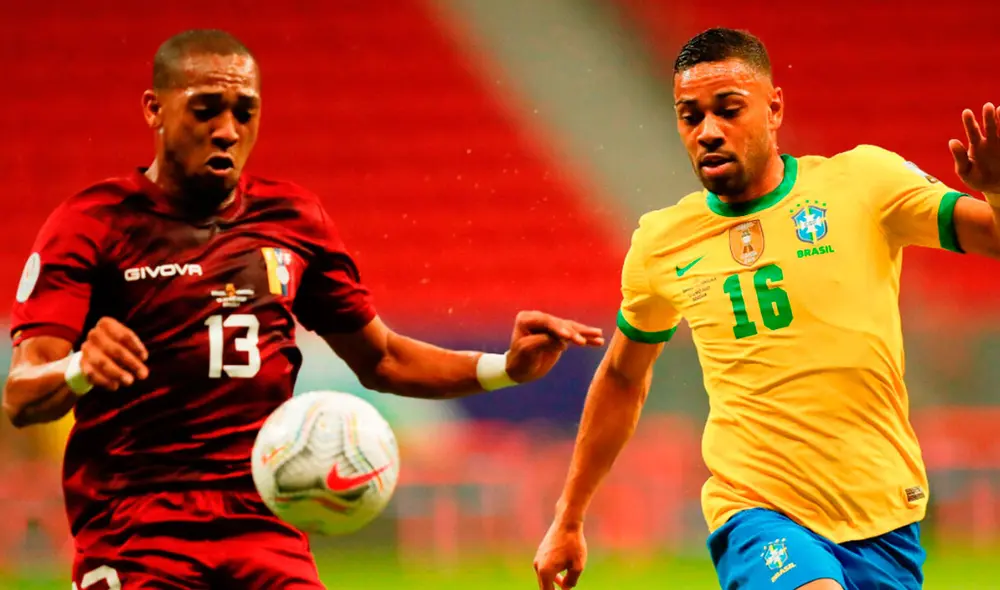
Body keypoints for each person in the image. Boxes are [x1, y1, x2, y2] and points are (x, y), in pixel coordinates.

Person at [1, 29, 604, 589]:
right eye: (206, 108)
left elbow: (384, 359)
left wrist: (506, 368)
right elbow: (22, 394)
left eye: (245, 111)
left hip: (263, 522)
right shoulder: (92, 224)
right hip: (135, 525)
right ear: (154, 110)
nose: (228, 130)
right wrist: (79, 365)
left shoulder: (292, 220)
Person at [533, 27, 1000, 590]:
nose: (708, 131)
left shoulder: (864, 184)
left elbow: (991, 236)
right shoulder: (662, 243)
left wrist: (996, 191)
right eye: (690, 116)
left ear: (774, 107)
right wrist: (569, 515)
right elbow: (623, 376)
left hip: (884, 515)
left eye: (729, 109)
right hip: (756, 511)